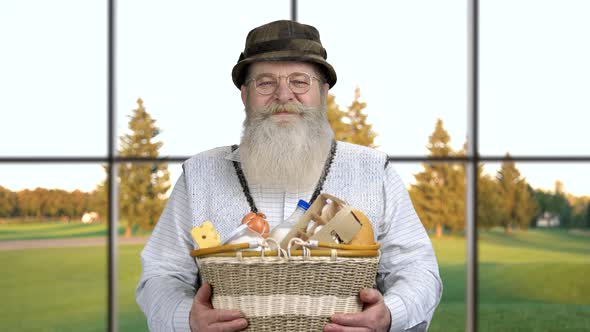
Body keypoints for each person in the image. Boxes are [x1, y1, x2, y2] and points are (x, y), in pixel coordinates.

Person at [136, 20, 442, 332]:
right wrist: (186, 317)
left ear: (323, 93)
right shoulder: (199, 174)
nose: (284, 95)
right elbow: (161, 274)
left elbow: (417, 268)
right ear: (245, 95)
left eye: (300, 82)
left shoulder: (374, 171)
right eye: (265, 83)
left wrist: (389, 314)